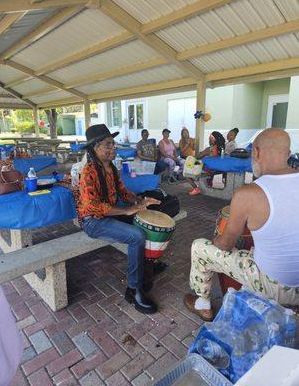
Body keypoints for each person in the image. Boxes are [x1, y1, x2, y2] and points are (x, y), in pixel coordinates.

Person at [184, 128, 299, 321]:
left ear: (256, 152)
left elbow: (225, 244)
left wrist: (216, 238)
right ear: (288, 154)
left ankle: (202, 304)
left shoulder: (249, 194)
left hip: (274, 285)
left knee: (199, 247)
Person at [78, 124, 161, 314]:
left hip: (108, 213)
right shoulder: (88, 172)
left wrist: (140, 201)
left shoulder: (111, 168)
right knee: (137, 236)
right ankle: (133, 289)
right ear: (95, 148)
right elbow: (93, 207)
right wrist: (127, 211)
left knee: (147, 218)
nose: (113, 147)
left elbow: (123, 193)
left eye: (113, 144)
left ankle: (147, 266)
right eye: (108, 145)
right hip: (93, 221)